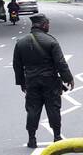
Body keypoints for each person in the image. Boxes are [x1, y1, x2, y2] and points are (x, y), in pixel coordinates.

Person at [12, 14, 75, 148]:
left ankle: (32, 139)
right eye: (47, 24)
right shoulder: (51, 41)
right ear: (43, 25)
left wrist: (22, 82)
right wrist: (68, 78)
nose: (49, 26)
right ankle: (57, 137)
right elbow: (60, 63)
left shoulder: (21, 43)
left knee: (32, 109)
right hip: (50, 81)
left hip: (31, 81)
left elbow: (17, 66)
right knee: (53, 108)